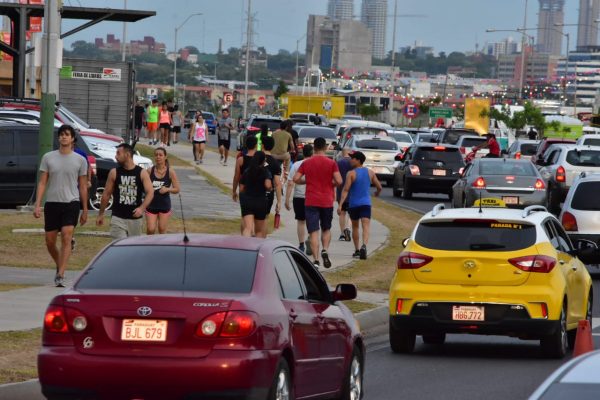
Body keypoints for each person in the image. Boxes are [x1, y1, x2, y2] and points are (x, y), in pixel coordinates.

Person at [34, 125, 88, 287]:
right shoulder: (48, 157)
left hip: (71, 203)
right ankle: (60, 264)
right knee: (50, 241)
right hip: (52, 203)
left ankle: (61, 275)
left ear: (72, 139)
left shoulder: (80, 160)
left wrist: (85, 209)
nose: (64, 137)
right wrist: (37, 204)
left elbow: (83, 186)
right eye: (61, 135)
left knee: (66, 234)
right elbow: (42, 182)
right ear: (58, 138)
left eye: (67, 135)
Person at [293, 137, 343, 267]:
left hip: (311, 200)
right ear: (325, 148)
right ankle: (325, 250)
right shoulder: (331, 163)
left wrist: (306, 181)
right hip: (327, 201)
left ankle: (316, 259)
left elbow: (296, 178)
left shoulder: (307, 163)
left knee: (313, 231)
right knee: (326, 229)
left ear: (314, 148)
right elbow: (339, 181)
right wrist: (331, 183)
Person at [97, 143, 154, 239]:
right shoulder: (114, 172)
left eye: (118, 153)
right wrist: (101, 213)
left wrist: (142, 208)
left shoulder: (141, 173)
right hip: (117, 218)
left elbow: (150, 192)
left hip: (135, 219)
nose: (115, 156)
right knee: (120, 244)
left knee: (132, 247)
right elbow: (106, 194)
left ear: (127, 155)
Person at [338, 151, 382, 260]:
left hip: (354, 204)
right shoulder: (370, 172)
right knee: (366, 226)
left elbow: (346, 190)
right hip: (366, 203)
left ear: (358, 160)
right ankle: (364, 246)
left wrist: (340, 204)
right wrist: (377, 192)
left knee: (355, 227)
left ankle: (357, 250)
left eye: (353, 158)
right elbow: (379, 186)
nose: (351, 160)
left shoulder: (351, 173)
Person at [146, 148, 180, 235]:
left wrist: (167, 189)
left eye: (160, 155)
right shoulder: (149, 171)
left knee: (162, 229)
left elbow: (177, 189)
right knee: (150, 229)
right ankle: (149, 243)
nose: (158, 157)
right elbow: (143, 186)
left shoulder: (170, 172)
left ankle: (161, 244)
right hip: (151, 204)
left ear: (165, 157)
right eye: (156, 155)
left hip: (164, 204)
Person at [286, 144, 313, 253]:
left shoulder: (296, 165)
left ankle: (301, 245)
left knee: (301, 221)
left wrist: (287, 199)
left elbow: (290, 183)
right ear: (312, 153)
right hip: (312, 196)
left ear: (303, 153)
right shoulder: (315, 164)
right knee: (312, 220)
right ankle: (311, 239)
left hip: (299, 196)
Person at [239, 151, 272, 238]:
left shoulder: (247, 171)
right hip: (260, 201)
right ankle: (257, 246)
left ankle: (245, 244)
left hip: (248, 201)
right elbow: (268, 185)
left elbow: (241, 188)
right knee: (259, 231)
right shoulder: (265, 171)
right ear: (263, 161)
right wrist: (270, 188)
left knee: (248, 228)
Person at [261, 136, 282, 217]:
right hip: (268, 194)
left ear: (262, 145)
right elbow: (277, 184)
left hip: (254, 193)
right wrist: (279, 201)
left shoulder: (256, 158)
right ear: (272, 147)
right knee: (264, 219)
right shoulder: (275, 163)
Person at [336, 147, 353, 242]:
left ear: (342, 153)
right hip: (351, 191)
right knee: (351, 213)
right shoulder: (353, 162)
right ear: (350, 153)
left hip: (341, 190)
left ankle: (342, 234)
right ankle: (348, 228)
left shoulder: (339, 163)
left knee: (342, 213)